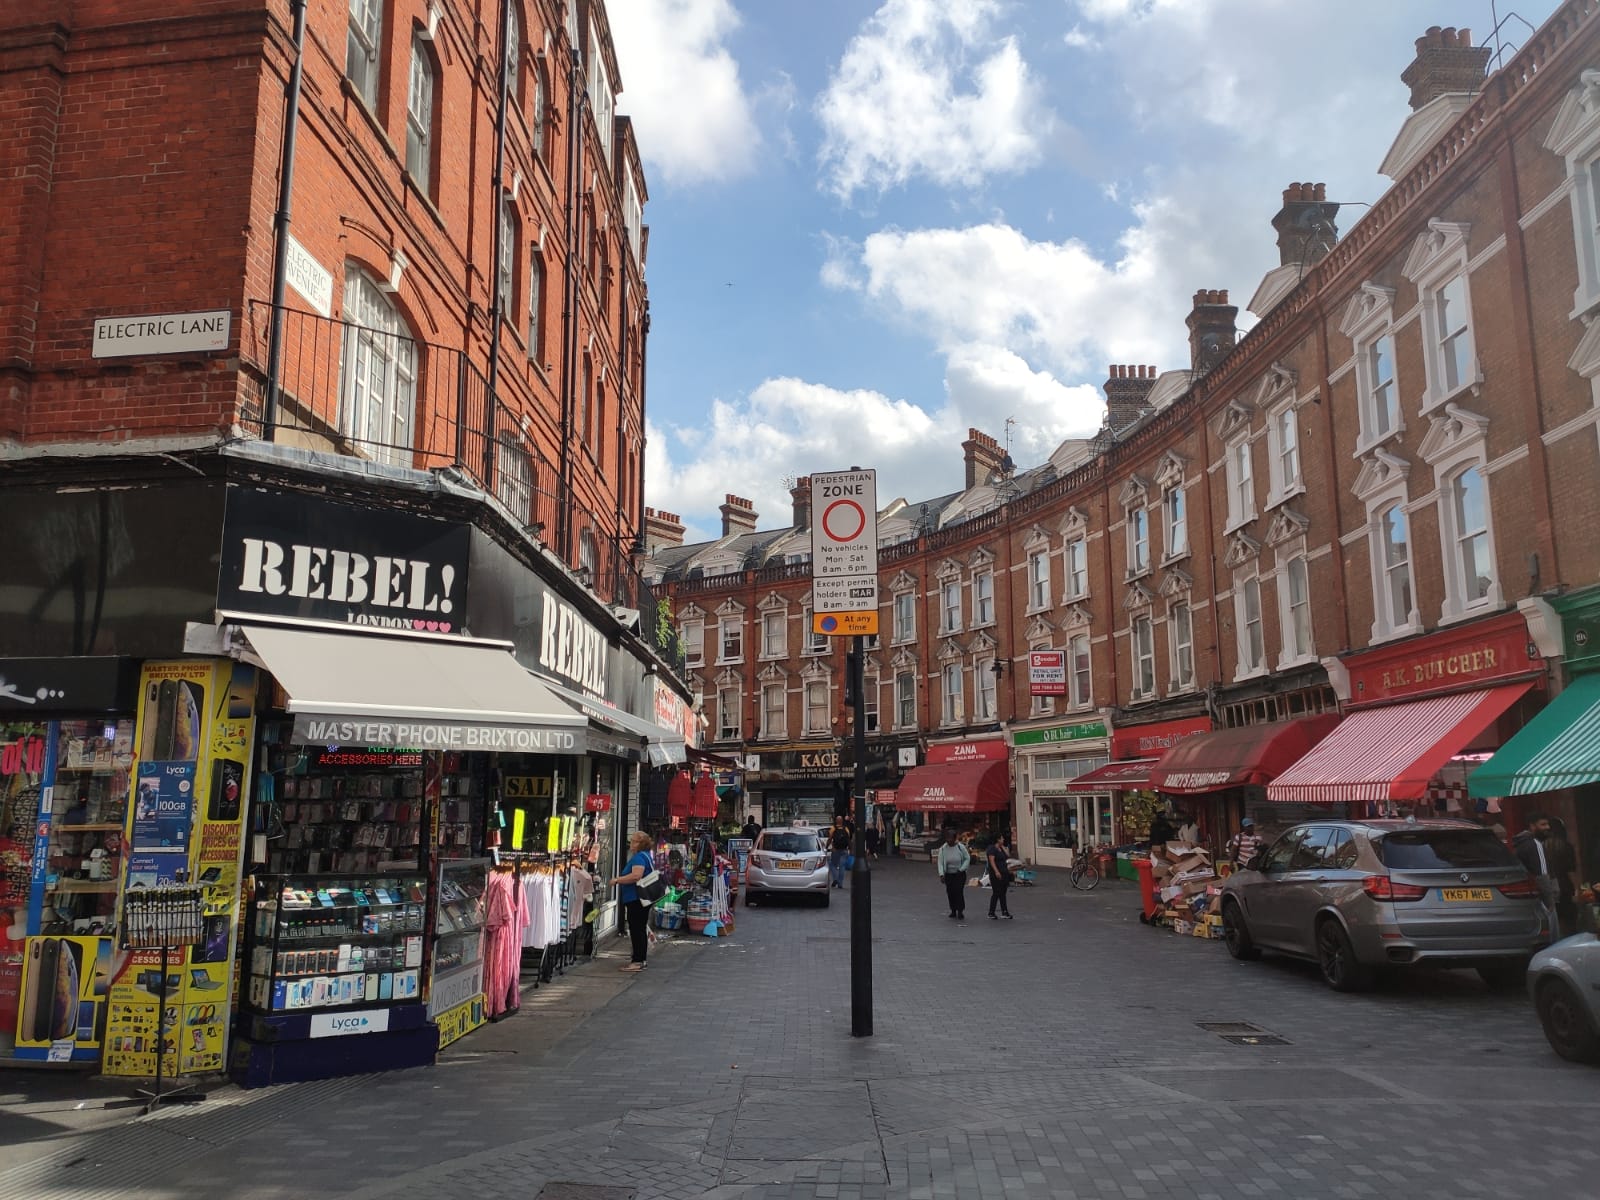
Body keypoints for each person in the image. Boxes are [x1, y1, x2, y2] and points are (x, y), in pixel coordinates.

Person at [610, 831, 655, 972]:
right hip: (639, 899)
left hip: (637, 899)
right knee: (639, 928)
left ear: (640, 843)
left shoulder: (639, 857)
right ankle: (640, 959)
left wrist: (617, 880)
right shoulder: (645, 856)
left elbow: (636, 876)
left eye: (634, 841)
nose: (631, 843)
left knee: (636, 929)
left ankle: (637, 961)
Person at [1514, 813, 1563, 938]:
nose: (1547, 827)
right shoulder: (1535, 844)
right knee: (1552, 938)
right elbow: (1542, 874)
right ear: (1532, 826)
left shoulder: (1521, 844)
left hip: (1530, 900)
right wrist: (1550, 903)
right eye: (1543, 824)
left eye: (1547, 824)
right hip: (1543, 900)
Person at [1549, 818, 1580, 935]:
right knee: (1569, 921)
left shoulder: (1541, 846)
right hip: (1565, 887)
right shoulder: (1566, 846)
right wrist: (1577, 889)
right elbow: (1571, 871)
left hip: (1548, 887)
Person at [936, 828, 971, 919]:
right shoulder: (943, 849)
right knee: (950, 892)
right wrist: (941, 874)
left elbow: (967, 858)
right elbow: (940, 862)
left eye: (951, 838)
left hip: (959, 873)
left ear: (955, 838)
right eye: (947, 838)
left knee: (958, 891)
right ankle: (953, 910)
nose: (949, 840)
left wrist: (962, 868)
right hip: (949, 874)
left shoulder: (960, 847)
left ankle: (960, 910)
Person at [986, 832, 1014, 920]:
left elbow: (1008, 856)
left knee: (1003, 893)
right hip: (996, 874)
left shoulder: (1001, 848)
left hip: (1004, 873)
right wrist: (996, 871)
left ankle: (1004, 912)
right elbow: (992, 861)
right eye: (1002, 838)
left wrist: (1002, 846)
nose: (1003, 839)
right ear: (998, 839)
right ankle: (991, 912)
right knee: (996, 892)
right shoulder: (991, 849)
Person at [828, 816, 852, 888]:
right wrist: (850, 849)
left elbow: (830, 839)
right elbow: (848, 840)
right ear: (842, 821)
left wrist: (826, 847)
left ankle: (835, 878)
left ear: (836, 821)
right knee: (842, 867)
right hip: (844, 850)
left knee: (832, 864)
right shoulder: (846, 829)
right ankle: (840, 883)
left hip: (835, 850)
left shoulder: (833, 828)